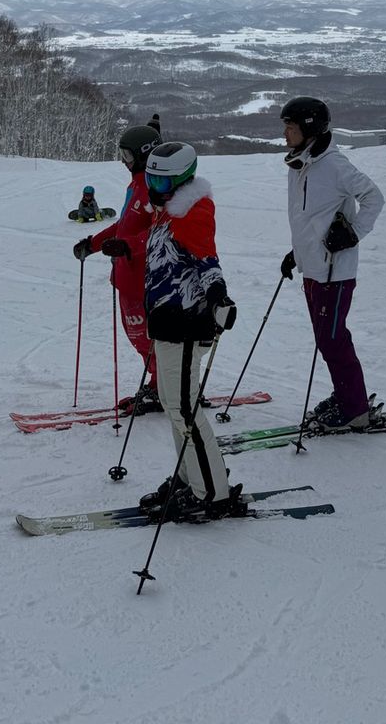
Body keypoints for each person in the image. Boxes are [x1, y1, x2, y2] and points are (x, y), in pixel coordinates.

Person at [135, 141, 245, 520]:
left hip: (186, 323)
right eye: (150, 179)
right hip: (166, 323)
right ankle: (189, 476)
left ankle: (213, 492)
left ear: (181, 181)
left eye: (161, 183)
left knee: (184, 407)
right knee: (173, 405)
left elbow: (207, 262)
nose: (153, 188)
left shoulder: (191, 214)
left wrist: (219, 298)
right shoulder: (165, 211)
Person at [279, 96, 385, 431]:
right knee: (328, 339)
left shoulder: (334, 165)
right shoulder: (301, 165)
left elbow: (373, 197)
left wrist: (352, 234)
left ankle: (354, 409)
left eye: (291, 127)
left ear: (309, 130)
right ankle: (346, 396)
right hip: (313, 268)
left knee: (334, 340)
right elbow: (311, 219)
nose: (286, 134)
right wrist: (296, 254)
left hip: (334, 271)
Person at [73, 122, 162, 413]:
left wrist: (127, 246)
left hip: (142, 276)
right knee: (138, 337)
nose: (124, 162)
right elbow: (124, 226)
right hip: (126, 274)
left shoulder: (155, 186)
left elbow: (160, 230)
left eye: (127, 155)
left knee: (146, 336)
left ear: (143, 154)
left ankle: (165, 386)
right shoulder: (136, 184)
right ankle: (160, 382)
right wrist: (94, 243)